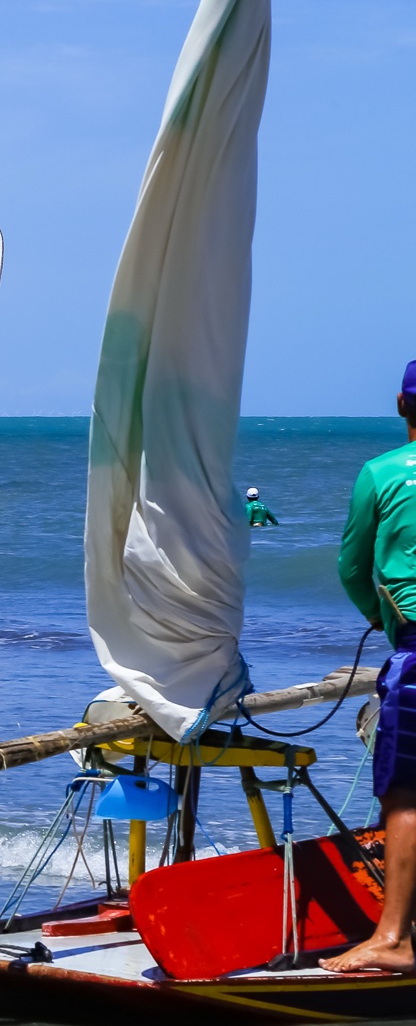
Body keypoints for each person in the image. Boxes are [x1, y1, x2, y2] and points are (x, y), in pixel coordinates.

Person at [322, 363, 416, 975]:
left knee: (407, 793)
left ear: (402, 405)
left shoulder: (383, 472)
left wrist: (380, 618)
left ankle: (395, 939)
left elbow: (353, 566)